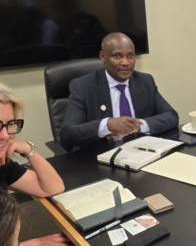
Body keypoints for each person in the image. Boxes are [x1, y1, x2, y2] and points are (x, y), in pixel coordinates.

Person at [61, 32, 179, 149]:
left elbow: (171, 116)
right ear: (103, 57)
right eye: (117, 56)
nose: (126, 62)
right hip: (102, 155)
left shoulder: (145, 81)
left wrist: (139, 125)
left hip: (141, 151)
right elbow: (68, 133)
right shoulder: (83, 86)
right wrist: (107, 126)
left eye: (130, 56)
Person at [0, 84, 68, 245]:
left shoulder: (2, 165)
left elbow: (52, 187)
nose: (5, 135)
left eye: (9, 123)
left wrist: (29, 150)